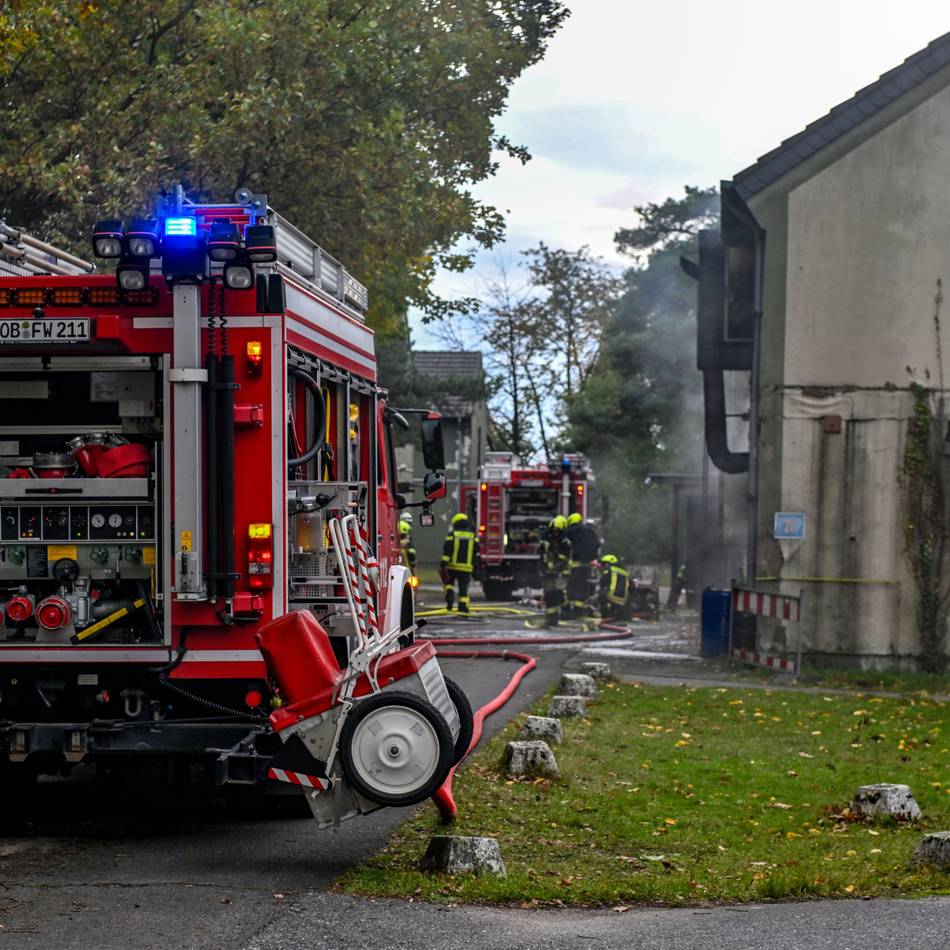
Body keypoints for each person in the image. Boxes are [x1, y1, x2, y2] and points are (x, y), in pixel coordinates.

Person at [535, 515, 572, 627]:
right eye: (553, 531)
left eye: (557, 531)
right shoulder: (546, 539)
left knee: (559, 594)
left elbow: (563, 559)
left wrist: (552, 568)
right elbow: (541, 555)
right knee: (549, 594)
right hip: (547, 572)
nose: (555, 534)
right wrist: (543, 569)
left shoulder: (565, 542)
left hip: (560, 572)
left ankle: (566, 611)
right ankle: (552, 619)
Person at [563, 512, 601, 618]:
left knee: (571, 589)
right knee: (583, 589)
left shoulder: (570, 531)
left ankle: (571, 612)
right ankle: (578, 610)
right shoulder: (590, 531)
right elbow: (597, 544)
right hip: (586, 565)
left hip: (574, 566)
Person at [440, 512, 478, 614]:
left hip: (452, 567)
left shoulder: (452, 534)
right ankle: (463, 608)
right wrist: (475, 565)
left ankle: (450, 597)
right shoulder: (472, 535)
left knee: (448, 584)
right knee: (463, 589)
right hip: (466, 568)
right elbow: (476, 551)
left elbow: (447, 550)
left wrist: (443, 563)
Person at [598, 554, 630, 621]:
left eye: (604, 564)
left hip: (611, 595)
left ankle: (605, 616)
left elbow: (602, 582)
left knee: (600, 597)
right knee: (616, 607)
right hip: (623, 598)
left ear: (608, 563)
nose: (604, 566)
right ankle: (616, 616)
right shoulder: (625, 572)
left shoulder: (609, 570)